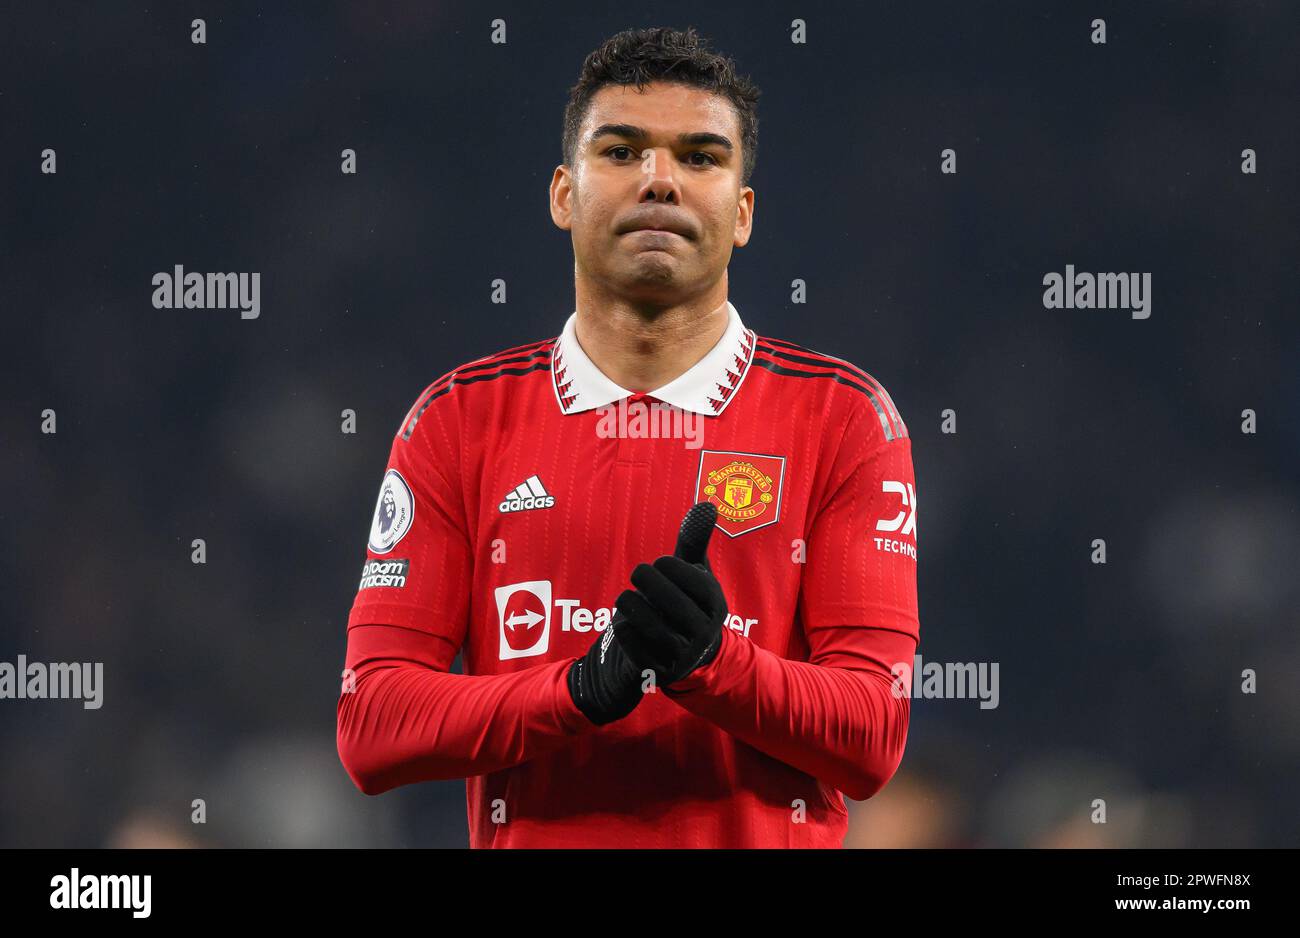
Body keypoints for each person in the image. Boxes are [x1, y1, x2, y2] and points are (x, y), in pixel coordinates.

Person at [336, 26, 920, 848]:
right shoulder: (456, 422)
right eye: (621, 151)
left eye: (701, 157)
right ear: (563, 194)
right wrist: (579, 690)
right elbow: (372, 723)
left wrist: (714, 665)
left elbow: (874, 734)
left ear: (743, 212)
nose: (659, 181)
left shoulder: (845, 419)